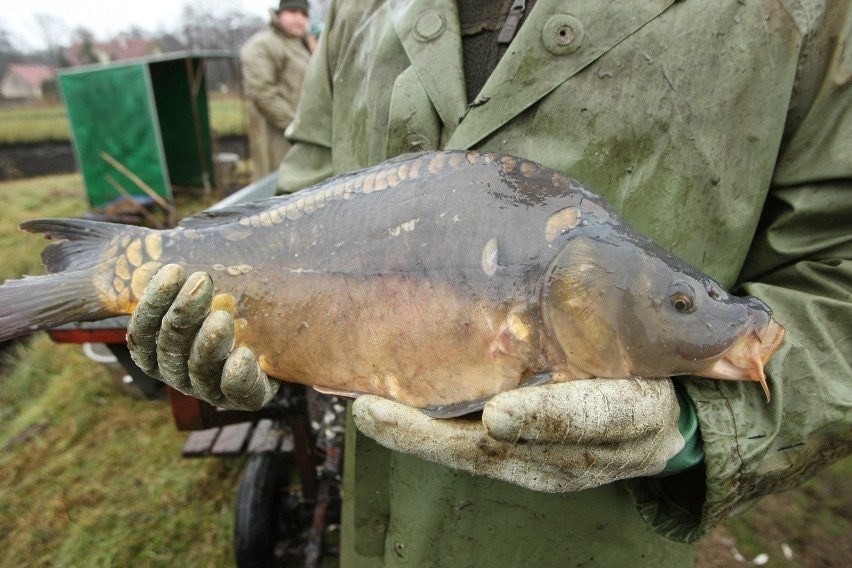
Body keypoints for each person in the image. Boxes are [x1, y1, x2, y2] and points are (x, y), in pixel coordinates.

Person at [129, 1, 852, 566]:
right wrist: (247, 326)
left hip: (593, 544)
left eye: (683, 303)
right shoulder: (355, 7)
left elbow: (835, 273)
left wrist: (695, 429)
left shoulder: (808, 14)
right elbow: (302, 199)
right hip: (373, 526)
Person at [240, 0, 312, 180]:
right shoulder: (263, 45)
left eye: (304, 14)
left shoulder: (300, 47)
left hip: (301, 140)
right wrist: (298, 128)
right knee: (278, 195)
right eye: (293, 11)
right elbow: (262, 92)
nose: (299, 18)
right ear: (278, 14)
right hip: (276, 141)